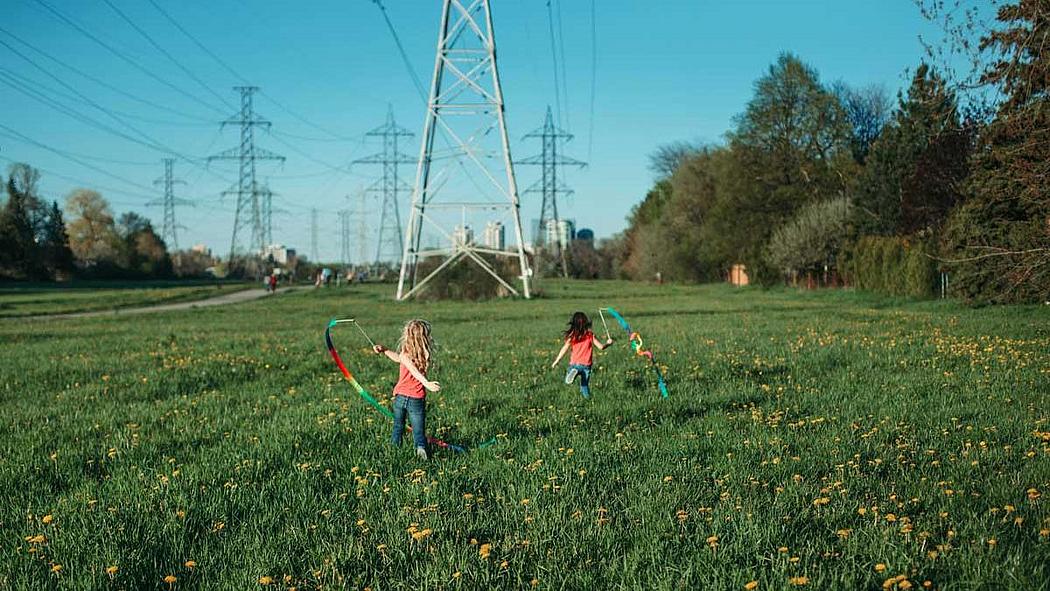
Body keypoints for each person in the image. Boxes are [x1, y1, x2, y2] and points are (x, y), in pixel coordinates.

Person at [373, 319, 441, 459]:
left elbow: (407, 365)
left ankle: (396, 450)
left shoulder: (408, 354)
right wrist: (385, 350)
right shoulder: (422, 354)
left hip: (401, 398)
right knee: (418, 431)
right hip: (415, 398)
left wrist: (426, 383)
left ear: (408, 336)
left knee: (399, 426)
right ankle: (419, 451)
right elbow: (406, 364)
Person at [551, 312, 613, 398]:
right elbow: (601, 347)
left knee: (567, 379)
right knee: (584, 385)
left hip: (574, 364)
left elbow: (564, 349)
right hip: (586, 365)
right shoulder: (590, 335)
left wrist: (556, 361)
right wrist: (608, 343)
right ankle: (588, 400)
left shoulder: (572, 335)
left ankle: (574, 372)